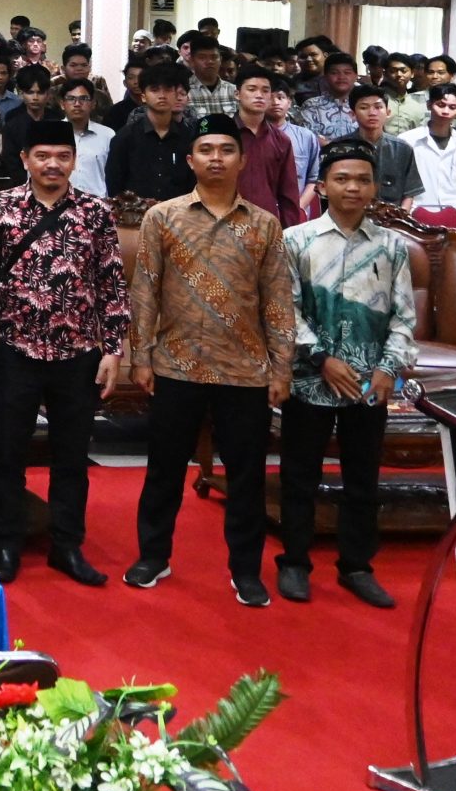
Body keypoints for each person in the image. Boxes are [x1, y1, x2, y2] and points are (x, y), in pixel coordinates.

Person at [126, 114, 297, 607]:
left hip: (244, 369)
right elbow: (145, 291)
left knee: (246, 476)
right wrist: (141, 356)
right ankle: (153, 556)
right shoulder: (163, 217)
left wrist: (281, 367)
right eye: (206, 149)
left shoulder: (265, 225)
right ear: (191, 159)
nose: (216, 158)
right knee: (163, 469)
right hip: (175, 365)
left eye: (226, 149)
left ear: (242, 161)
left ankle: (246, 570)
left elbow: (278, 302)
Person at [0, 117, 128, 586]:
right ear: (25, 159)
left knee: (71, 456)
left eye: (62, 156)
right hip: (17, 349)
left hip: (79, 351)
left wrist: (113, 348)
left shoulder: (95, 211)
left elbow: (111, 282)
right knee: (8, 454)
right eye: (42, 155)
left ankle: (67, 545)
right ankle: (6, 544)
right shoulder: (2, 207)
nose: (53, 164)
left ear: (74, 160)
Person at [277, 139, 418, 609]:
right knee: (299, 474)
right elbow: (284, 310)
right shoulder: (295, 240)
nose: (352, 187)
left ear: (375, 187)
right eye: (342, 179)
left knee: (363, 479)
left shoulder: (392, 244)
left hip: (369, 384)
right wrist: (320, 358)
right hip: (310, 377)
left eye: (362, 179)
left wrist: (387, 370)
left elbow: (403, 318)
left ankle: (356, 565)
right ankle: (295, 562)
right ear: (322, 187)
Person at [107, 61, 195, 201]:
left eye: (167, 89)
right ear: (143, 96)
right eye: (154, 90)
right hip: (134, 216)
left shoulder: (188, 137)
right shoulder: (125, 137)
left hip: (178, 216)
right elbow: (114, 185)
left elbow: (193, 183)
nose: (162, 95)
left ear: (175, 95)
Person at [401, 83, 456, 224]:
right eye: (440, 105)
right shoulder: (408, 140)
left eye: (452, 107)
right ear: (429, 105)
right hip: (416, 215)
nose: (445, 111)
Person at [234, 69, 304, 227]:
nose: (259, 95)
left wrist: (289, 231)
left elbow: (289, 194)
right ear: (237, 94)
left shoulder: (281, 140)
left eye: (265, 90)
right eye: (252, 89)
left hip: (266, 225)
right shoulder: (222, 135)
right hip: (225, 224)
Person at [344, 85, 424, 206]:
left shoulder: (402, 149)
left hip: (391, 219)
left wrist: (399, 221)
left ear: (388, 112)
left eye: (378, 107)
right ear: (352, 114)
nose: (372, 113)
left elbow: (409, 194)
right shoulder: (339, 148)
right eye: (364, 107)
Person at [58, 77, 116, 197]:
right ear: (62, 104)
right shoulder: (50, 133)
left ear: (93, 104)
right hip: (59, 204)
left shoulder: (108, 135)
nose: (77, 104)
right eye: (71, 99)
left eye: (83, 99)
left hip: (98, 206)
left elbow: (116, 175)